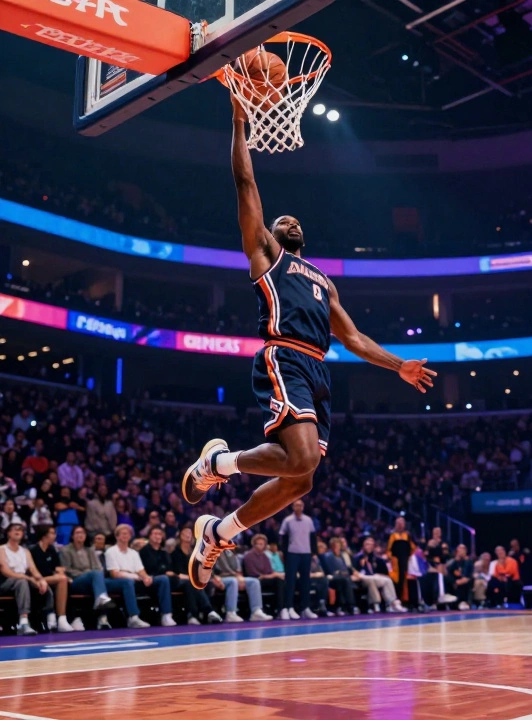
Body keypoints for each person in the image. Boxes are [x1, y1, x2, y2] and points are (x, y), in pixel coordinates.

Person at [178, 99, 438, 591]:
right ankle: (218, 463)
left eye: (296, 221)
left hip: (319, 371)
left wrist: (398, 365)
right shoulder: (265, 255)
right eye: (283, 220)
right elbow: (246, 183)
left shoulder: (322, 279)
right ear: (270, 233)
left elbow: (354, 336)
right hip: (284, 356)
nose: (291, 221)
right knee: (299, 460)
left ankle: (218, 532)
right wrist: (238, 120)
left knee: (304, 477)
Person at [61, 525, 146, 630]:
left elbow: (99, 568)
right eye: (77, 533)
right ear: (72, 536)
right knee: (95, 574)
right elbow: (66, 569)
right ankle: (102, 602)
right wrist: (87, 573)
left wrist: (92, 574)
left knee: (126, 582)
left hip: (95, 580)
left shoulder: (89, 550)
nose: (80, 535)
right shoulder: (66, 550)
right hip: (77, 581)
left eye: (82, 533)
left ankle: (133, 617)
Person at [141, 526, 218, 625]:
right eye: (155, 534)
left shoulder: (164, 552)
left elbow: (170, 569)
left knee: (195, 583)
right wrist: (166, 572)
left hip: (174, 579)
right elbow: (155, 568)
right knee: (190, 582)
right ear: (149, 536)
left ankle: (196, 614)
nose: (158, 536)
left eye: (159, 534)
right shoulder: (146, 551)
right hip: (155, 579)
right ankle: (205, 611)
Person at [105, 524, 175, 626]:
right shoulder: (111, 551)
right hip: (119, 582)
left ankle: (166, 615)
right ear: (117, 536)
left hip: (136, 580)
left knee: (163, 579)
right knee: (128, 582)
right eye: (123, 534)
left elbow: (140, 570)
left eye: (128, 534)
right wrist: (133, 576)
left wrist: (146, 577)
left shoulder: (133, 553)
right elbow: (115, 573)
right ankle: (133, 617)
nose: (126, 536)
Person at [0, 521, 54, 635]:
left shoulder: (25, 551)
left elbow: (33, 570)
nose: (18, 531)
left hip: (23, 580)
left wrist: (41, 580)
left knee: (43, 585)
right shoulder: (2, 549)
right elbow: (5, 571)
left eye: (20, 529)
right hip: (5, 582)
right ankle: (23, 622)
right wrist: (27, 578)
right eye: (14, 529)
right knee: (22, 582)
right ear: (8, 533)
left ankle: (50, 615)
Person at [27, 524, 75, 631]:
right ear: (44, 536)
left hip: (50, 578)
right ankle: (58, 617)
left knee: (63, 578)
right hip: (34, 580)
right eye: (52, 533)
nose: (54, 536)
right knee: (62, 578)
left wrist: (60, 570)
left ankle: (62, 619)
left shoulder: (52, 549)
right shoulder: (33, 550)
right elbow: (32, 571)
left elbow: (57, 567)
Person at [213, 538, 272, 622]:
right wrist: (235, 577)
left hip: (234, 577)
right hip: (220, 578)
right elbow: (214, 571)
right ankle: (231, 613)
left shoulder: (232, 553)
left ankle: (256, 611)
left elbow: (238, 571)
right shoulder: (214, 552)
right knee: (233, 582)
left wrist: (240, 578)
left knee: (254, 581)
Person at [279, 500, 318, 619]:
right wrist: (285, 553)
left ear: (303, 506)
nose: (299, 507)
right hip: (292, 553)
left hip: (306, 553)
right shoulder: (288, 520)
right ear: (293, 507)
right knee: (290, 581)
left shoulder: (308, 520)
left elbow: (313, 537)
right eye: (296, 505)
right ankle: (288, 607)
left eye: (301, 505)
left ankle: (305, 608)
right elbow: (283, 538)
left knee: (306, 581)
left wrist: (314, 552)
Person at [242, 533, 287, 617]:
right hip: (255, 580)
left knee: (281, 580)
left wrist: (275, 575)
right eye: (258, 544)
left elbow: (269, 571)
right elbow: (252, 574)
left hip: (266, 579)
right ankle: (279, 609)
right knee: (278, 580)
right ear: (254, 544)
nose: (260, 546)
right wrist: (272, 575)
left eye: (262, 544)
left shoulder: (264, 556)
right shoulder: (249, 556)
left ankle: (282, 609)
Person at [355, 536, 404, 613]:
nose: (369, 547)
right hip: (361, 578)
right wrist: (361, 566)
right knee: (372, 579)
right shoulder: (358, 557)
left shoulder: (373, 557)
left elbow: (374, 571)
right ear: (363, 545)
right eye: (367, 544)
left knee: (387, 580)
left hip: (372, 577)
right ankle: (375, 603)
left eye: (371, 545)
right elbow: (356, 571)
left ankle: (392, 603)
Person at [316, 539, 356, 615]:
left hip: (342, 576)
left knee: (346, 580)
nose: (336, 548)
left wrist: (346, 572)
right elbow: (329, 570)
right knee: (344, 580)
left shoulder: (341, 556)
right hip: (331, 577)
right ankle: (350, 606)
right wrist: (339, 573)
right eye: (334, 546)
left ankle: (345, 606)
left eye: (338, 546)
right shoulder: (328, 556)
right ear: (331, 547)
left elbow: (346, 568)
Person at [445, 544, 473, 610]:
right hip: (454, 582)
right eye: (459, 549)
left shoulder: (469, 562)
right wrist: (454, 582)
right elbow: (449, 573)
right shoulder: (453, 562)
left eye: (463, 549)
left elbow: (468, 575)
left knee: (465, 583)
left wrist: (463, 580)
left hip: (465, 581)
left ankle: (464, 602)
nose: (461, 551)